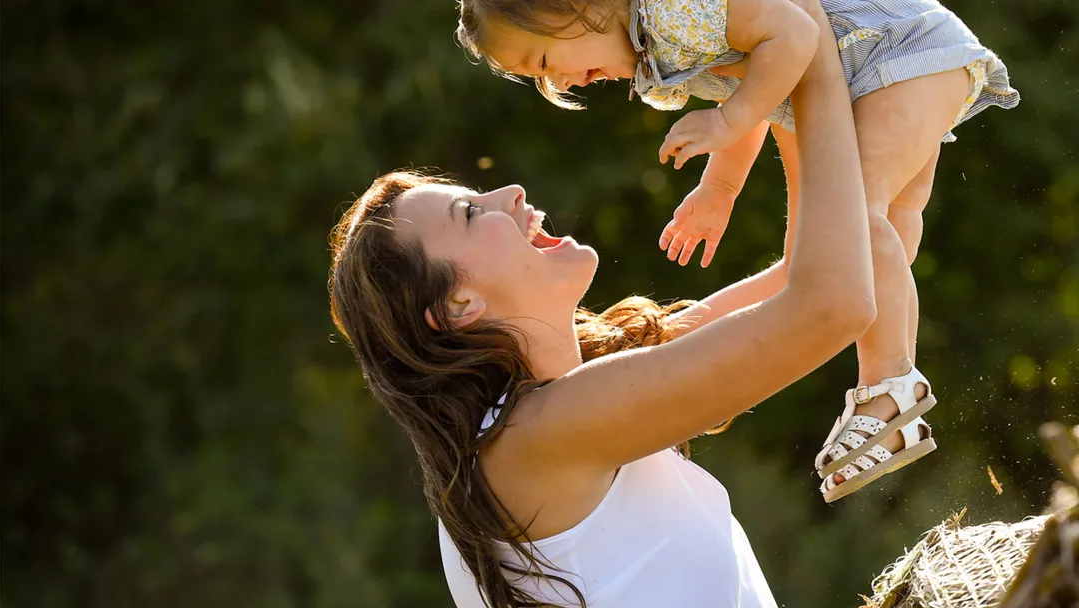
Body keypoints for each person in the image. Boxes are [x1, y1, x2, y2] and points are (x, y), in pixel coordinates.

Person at [328, 2, 872, 605]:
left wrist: (776, 69)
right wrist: (809, 39)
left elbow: (812, 271)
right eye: (470, 212)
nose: (510, 192)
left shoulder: (563, 402)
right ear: (458, 305)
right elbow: (834, 303)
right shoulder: (531, 440)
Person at [455, 0, 1019, 501]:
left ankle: (891, 390)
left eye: (547, 64)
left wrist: (727, 124)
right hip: (885, 65)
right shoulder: (659, 44)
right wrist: (721, 187)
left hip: (889, 54)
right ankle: (683, 342)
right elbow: (753, 78)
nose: (567, 85)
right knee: (878, 233)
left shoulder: (670, 11)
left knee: (852, 228)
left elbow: (792, 34)